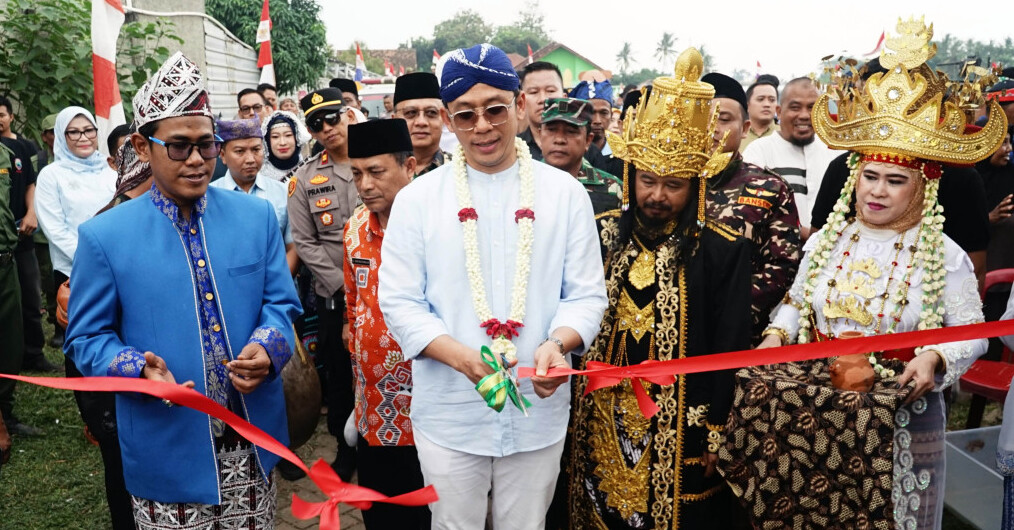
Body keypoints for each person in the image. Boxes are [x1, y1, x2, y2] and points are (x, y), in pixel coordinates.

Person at [726, 23, 1003, 529]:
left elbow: (974, 332)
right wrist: (776, 334)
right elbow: (797, 299)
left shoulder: (944, 254)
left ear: (922, 187)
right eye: (868, 177)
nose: (876, 192)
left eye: (895, 181)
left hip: (902, 415)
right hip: (816, 408)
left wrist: (936, 357)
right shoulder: (829, 239)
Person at [64, 52, 301, 529]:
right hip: (165, 445)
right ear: (142, 145)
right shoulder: (105, 236)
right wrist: (135, 368)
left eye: (206, 146)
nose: (196, 160)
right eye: (178, 146)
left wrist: (269, 347)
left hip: (251, 443)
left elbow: (281, 303)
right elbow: (85, 340)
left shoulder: (254, 219)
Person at [379, 43, 607, 529]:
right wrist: (464, 360)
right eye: (465, 114)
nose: (482, 126)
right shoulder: (418, 200)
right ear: (447, 118)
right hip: (450, 411)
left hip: (537, 412)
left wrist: (557, 343)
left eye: (495, 109)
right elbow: (400, 301)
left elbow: (586, 293)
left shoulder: (564, 194)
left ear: (520, 106)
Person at [567, 48, 752, 529]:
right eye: (647, 180)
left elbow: (731, 342)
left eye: (673, 184)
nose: (657, 195)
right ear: (630, 176)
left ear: (696, 187)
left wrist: (716, 430)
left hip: (683, 415)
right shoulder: (602, 232)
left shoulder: (721, 248)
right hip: (600, 403)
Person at [342, 119, 430, 529]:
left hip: (429, 406)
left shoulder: (441, 225)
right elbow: (352, 302)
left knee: (430, 511)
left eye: (376, 172)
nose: (365, 184)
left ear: (409, 166)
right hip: (374, 407)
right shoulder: (355, 228)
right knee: (379, 511)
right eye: (357, 173)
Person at [287, 87, 362, 480]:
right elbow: (305, 242)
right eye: (316, 124)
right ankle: (346, 451)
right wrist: (345, 287)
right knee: (339, 376)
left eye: (332, 117)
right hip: (335, 298)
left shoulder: (377, 160)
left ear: (348, 114)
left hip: (384, 291)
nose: (327, 128)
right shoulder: (304, 179)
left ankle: (382, 447)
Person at [702, 72, 801, 342]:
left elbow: (782, 267)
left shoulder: (770, 188)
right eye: (702, 120)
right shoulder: (672, 184)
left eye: (724, 120)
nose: (713, 129)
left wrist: (728, 311)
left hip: (739, 332)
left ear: (744, 128)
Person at [34, 106, 116, 317]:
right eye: (74, 132)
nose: (83, 137)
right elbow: (55, 229)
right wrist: (94, 259)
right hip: (74, 270)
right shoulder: (51, 175)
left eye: (89, 130)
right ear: (62, 135)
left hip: (117, 266)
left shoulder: (111, 169)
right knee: (85, 335)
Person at [742, 77, 840, 234]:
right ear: (779, 112)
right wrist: (806, 235)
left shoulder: (836, 153)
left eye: (812, 108)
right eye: (795, 108)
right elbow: (753, 212)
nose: (804, 115)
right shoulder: (758, 152)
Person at [209, 118, 298, 274]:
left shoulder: (282, 192)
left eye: (256, 150)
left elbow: (294, 248)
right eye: (240, 152)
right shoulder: (209, 196)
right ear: (222, 155)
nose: (250, 159)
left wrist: (277, 284)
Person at [538, 97, 620, 214]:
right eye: (551, 130)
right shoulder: (522, 183)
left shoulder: (614, 189)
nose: (559, 140)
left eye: (571, 131)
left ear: (588, 140)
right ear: (540, 135)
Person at [393, 72, 449, 177]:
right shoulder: (381, 171)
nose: (421, 122)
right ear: (394, 120)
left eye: (431, 113)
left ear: (444, 118)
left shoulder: (462, 170)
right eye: (410, 113)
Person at [517, 61, 564, 160]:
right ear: (522, 100)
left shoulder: (584, 148)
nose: (543, 99)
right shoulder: (514, 149)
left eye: (550, 91)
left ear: (564, 97)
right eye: (534, 92)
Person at [260, 110, 311, 181]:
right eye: (275, 137)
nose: (282, 143)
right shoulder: (259, 176)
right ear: (267, 141)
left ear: (297, 138)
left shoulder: (310, 167)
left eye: (288, 135)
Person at [742, 77, 779, 150]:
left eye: (772, 100)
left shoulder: (786, 135)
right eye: (760, 99)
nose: (767, 104)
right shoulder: (737, 136)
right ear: (748, 105)